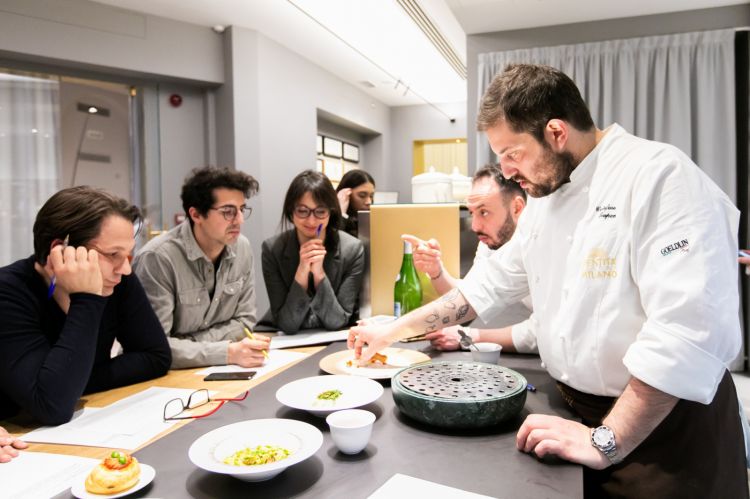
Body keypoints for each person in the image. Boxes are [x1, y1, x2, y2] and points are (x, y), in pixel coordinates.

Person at [349, 64, 748, 497]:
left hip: (663, 434)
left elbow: (687, 330)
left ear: (556, 132)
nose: (506, 171)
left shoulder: (661, 176)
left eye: (512, 153)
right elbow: (478, 291)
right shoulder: (543, 199)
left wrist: (608, 439)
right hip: (575, 417)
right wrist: (390, 332)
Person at [0, 186, 171, 425]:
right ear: (61, 250)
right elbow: (52, 406)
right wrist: (87, 298)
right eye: (113, 254)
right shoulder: (8, 293)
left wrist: (73, 380)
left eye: (128, 255)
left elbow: (156, 357)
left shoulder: (117, 279)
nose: (125, 269)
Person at [133, 166, 269, 369]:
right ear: (196, 215)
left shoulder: (242, 247)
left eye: (241, 210)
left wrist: (189, 345)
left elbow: (245, 322)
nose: (239, 220)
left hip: (215, 371)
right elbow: (156, 347)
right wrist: (226, 351)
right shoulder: (158, 258)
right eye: (228, 212)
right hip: (161, 381)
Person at [402, 163, 535, 353]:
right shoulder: (491, 240)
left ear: (517, 208)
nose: (475, 226)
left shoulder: (539, 243)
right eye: (472, 213)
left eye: (484, 212)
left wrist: (470, 337)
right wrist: (436, 271)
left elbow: (545, 332)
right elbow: (471, 296)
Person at [262, 170, 365, 333]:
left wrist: (319, 275)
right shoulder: (272, 249)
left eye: (320, 211)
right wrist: (301, 275)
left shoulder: (352, 249)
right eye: (302, 211)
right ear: (290, 212)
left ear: (331, 212)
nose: (311, 221)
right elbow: (287, 324)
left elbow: (337, 321)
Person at [335, 169, 375, 237]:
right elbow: (335, 241)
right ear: (346, 194)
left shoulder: (370, 218)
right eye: (362, 195)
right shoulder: (330, 217)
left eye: (371, 196)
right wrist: (342, 213)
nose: (369, 202)